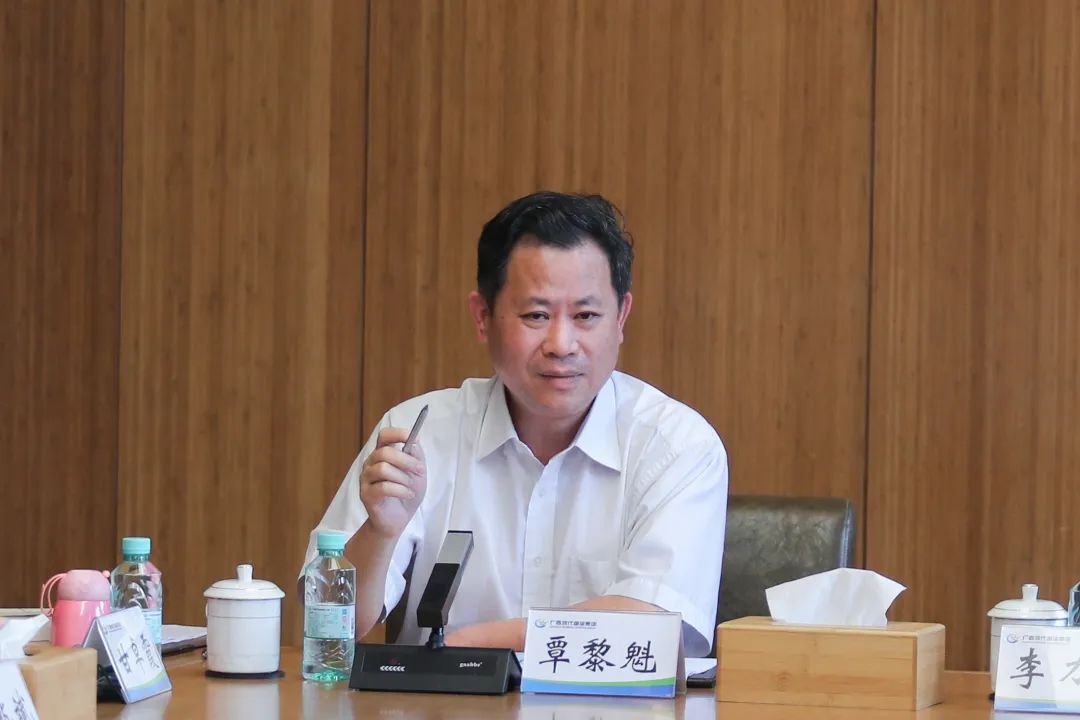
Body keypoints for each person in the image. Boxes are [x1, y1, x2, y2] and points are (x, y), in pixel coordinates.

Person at [301, 191, 728, 656]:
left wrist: (463, 647)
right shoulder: (418, 435)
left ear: (621, 317)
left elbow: (656, 626)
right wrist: (380, 534)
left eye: (586, 316)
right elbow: (330, 629)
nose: (561, 343)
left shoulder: (675, 445)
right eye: (536, 316)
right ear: (483, 317)